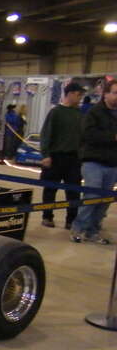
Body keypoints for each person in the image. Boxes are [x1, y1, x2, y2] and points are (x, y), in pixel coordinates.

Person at [70, 79, 117, 244]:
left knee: (105, 200)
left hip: (113, 164)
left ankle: (93, 230)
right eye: (115, 93)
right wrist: (113, 137)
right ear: (106, 94)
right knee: (92, 195)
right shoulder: (94, 112)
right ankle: (78, 228)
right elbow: (88, 135)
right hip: (93, 162)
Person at [39, 82, 84, 229]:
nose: (80, 98)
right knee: (50, 189)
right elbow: (46, 134)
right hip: (55, 157)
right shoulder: (56, 112)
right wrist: (45, 155)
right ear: (70, 94)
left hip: (74, 159)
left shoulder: (79, 114)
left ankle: (71, 220)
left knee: (73, 191)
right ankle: (47, 216)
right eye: (78, 94)